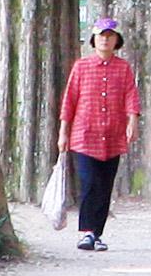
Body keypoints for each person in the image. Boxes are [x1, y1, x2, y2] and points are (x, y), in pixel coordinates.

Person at [58, 18, 142, 253]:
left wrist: (132, 121)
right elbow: (69, 101)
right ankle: (86, 232)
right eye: (101, 35)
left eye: (110, 35)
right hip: (84, 136)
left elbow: (130, 95)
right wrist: (63, 132)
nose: (105, 39)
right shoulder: (81, 67)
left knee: (105, 186)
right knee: (89, 183)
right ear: (94, 40)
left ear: (116, 40)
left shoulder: (123, 68)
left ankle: (97, 233)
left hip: (113, 136)